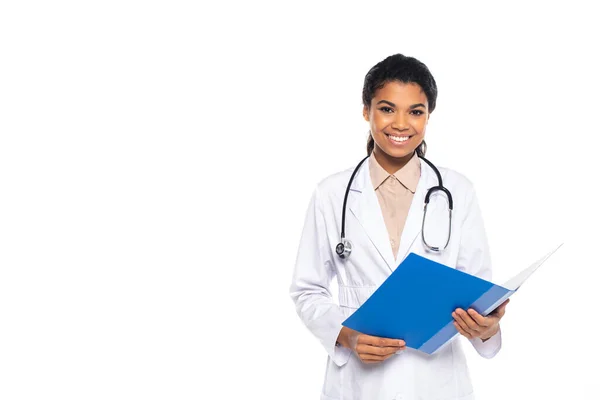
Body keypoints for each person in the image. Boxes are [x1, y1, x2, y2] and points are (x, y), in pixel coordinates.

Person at [289, 54, 510, 400]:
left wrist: (486, 326)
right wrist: (347, 336)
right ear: (366, 111)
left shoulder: (458, 191)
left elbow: (476, 290)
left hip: (435, 382)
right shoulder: (331, 193)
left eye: (416, 111)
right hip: (359, 385)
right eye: (387, 109)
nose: (401, 124)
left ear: (428, 116)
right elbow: (307, 289)